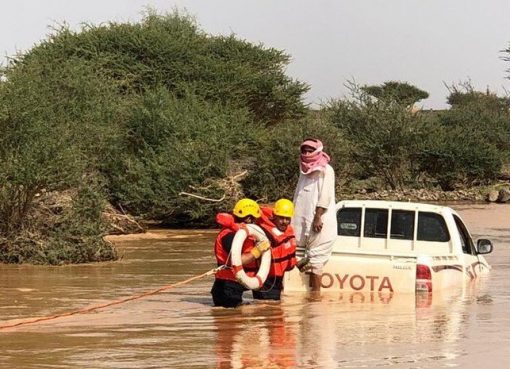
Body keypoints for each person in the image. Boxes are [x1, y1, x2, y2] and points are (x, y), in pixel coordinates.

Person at [291, 138, 337, 294]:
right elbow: (298, 194)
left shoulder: (326, 170)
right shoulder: (303, 170)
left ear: (317, 151)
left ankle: (315, 298)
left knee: (316, 260)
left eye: (310, 150)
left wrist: (318, 216)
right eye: (304, 150)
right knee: (295, 254)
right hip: (300, 218)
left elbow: (326, 195)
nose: (307, 153)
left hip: (319, 220)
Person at [211, 198, 271, 308]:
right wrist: (257, 251)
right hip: (227, 285)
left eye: (253, 217)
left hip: (244, 281)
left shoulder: (256, 233)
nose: (250, 220)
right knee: (231, 321)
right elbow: (239, 260)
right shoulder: (228, 236)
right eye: (248, 217)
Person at [253, 198, 297, 301]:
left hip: (278, 279)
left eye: (287, 219)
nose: (285, 222)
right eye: (281, 218)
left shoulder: (288, 231)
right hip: (265, 279)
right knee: (268, 310)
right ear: (274, 216)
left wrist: (297, 263)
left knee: (276, 311)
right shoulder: (264, 232)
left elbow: (286, 253)